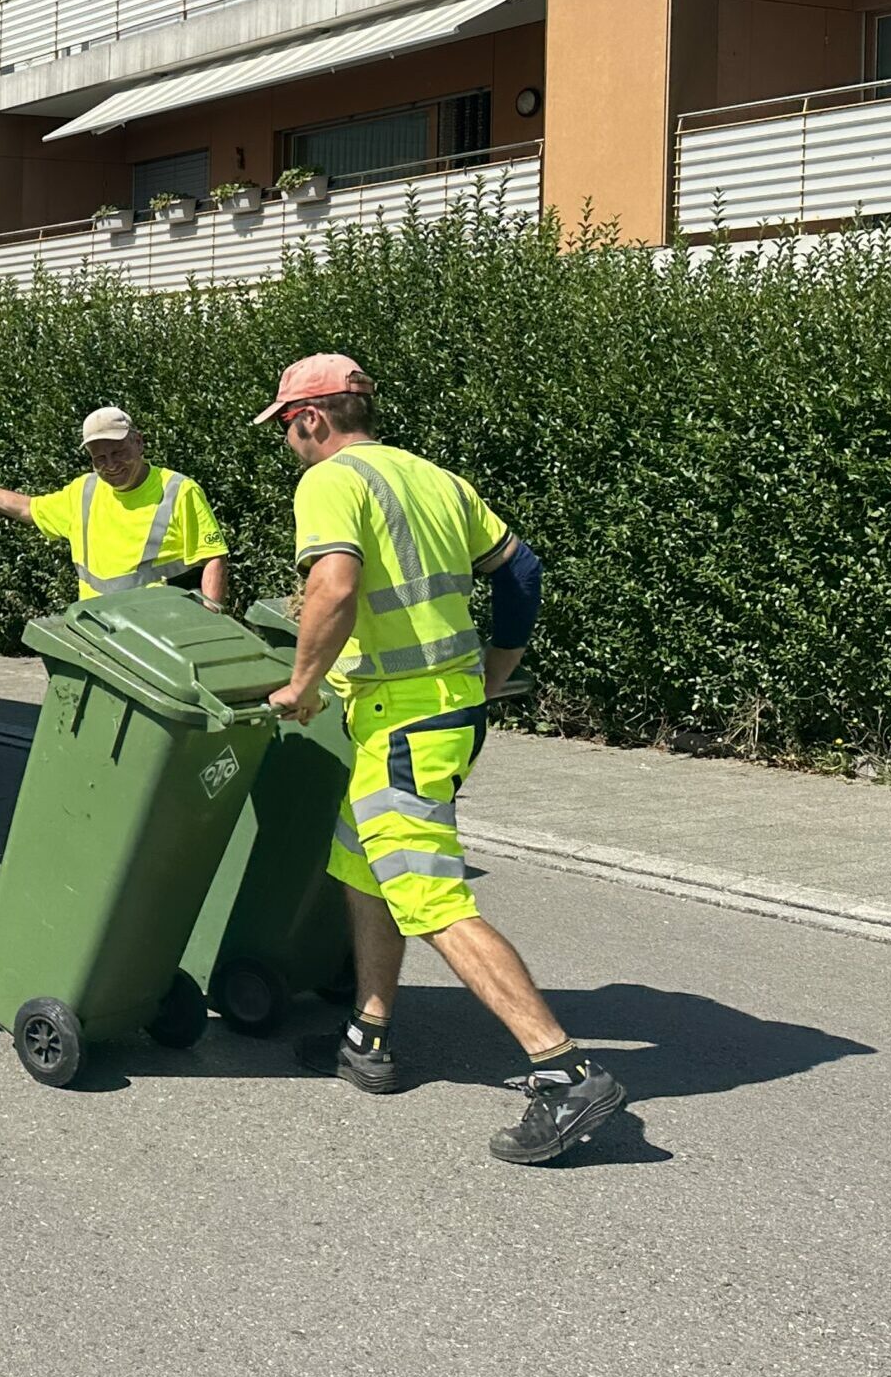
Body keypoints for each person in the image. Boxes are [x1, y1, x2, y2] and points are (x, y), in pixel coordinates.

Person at [257, 354, 625, 1164]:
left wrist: (302, 684)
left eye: (285, 425)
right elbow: (519, 568)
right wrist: (498, 666)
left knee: (427, 895)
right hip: (440, 708)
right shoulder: (435, 479)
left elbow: (336, 588)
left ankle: (564, 1072)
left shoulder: (330, 480)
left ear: (313, 417)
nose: (287, 440)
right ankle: (369, 1033)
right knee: (363, 866)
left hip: (404, 721)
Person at [0, 407, 230, 608]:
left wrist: (211, 620)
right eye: (100, 458)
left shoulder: (178, 490)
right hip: (98, 630)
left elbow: (213, 557)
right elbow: (26, 509)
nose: (110, 465)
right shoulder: (84, 491)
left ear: (138, 442)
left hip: (160, 631)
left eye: (118, 452)